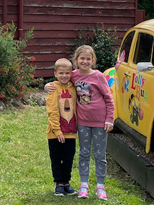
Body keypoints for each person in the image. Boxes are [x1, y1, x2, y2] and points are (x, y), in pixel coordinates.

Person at [49, 45, 115, 200]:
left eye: (88, 58)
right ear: (76, 60)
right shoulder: (73, 75)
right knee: (84, 154)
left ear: (93, 61)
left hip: (100, 123)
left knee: (99, 155)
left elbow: (109, 99)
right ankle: (83, 185)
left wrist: (109, 119)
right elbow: (61, 79)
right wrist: (48, 85)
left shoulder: (98, 76)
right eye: (82, 58)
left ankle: (100, 186)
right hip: (82, 123)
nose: (85, 61)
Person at [46, 58, 78, 196]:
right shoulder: (53, 88)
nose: (64, 76)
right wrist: (57, 130)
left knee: (69, 157)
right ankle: (59, 183)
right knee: (56, 157)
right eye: (61, 73)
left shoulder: (74, 87)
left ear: (71, 73)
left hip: (71, 131)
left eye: (67, 73)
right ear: (55, 73)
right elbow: (52, 110)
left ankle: (66, 182)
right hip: (55, 133)